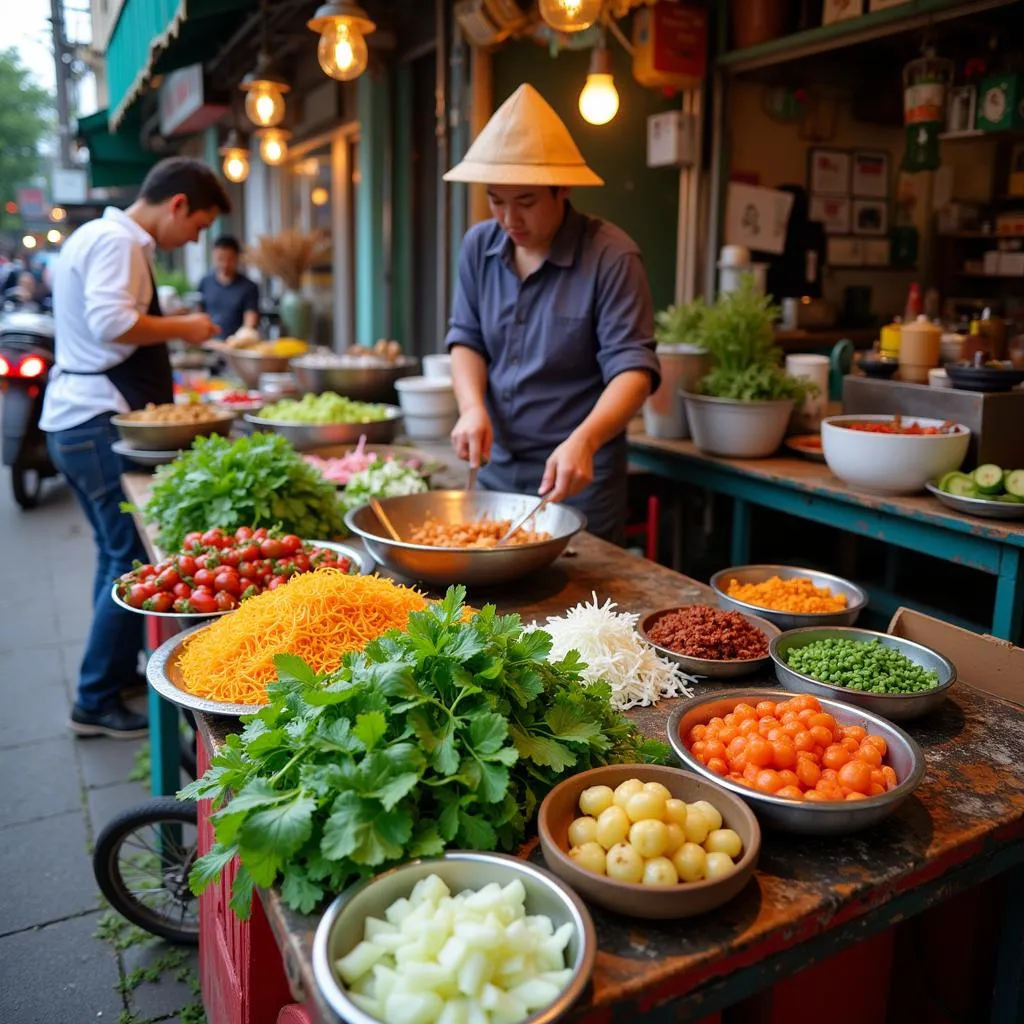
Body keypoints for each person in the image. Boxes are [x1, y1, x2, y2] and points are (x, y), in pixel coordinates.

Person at [40, 157, 228, 738]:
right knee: (127, 560)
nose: (193, 238)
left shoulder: (99, 235)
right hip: (92, 418)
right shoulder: (120, 242)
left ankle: (112, 675)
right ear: (177, 204)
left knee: (112, 553)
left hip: (74, 415)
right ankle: (94, 699)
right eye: (197, 226)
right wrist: (186, 326)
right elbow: (108, 323)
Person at [443, 84, 660, 543]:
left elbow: (633, 370)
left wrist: (585, 439)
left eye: (525, 201)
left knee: (579, 607)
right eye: (495, 199)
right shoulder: (478, 246)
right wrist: (471, 409)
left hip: (577, 474)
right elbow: (466, 339)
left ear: (562, 189)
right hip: (496, 465)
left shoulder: (611, 256)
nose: (508, 219)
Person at [197, 234, 260, 338]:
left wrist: (241, 339)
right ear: (213, 257)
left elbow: (250, 321)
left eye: (230, 259)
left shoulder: (249, 287)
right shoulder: (205, 282)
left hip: (236, 344)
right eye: (220, 259)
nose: (225, 264)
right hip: (209, 343)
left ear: (237, 258)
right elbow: (198, 313)